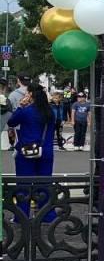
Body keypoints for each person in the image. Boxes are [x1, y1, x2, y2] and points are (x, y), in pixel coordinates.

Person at [7, 84, 58, 216]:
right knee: (44, 184)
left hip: (27, 151)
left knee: (23, 184)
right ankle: (47, 215)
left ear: (30, 95)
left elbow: (11, 122)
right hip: (46, 151)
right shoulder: (50, 112)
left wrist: (20, 106)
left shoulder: (26, 111)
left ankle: (22, 216)